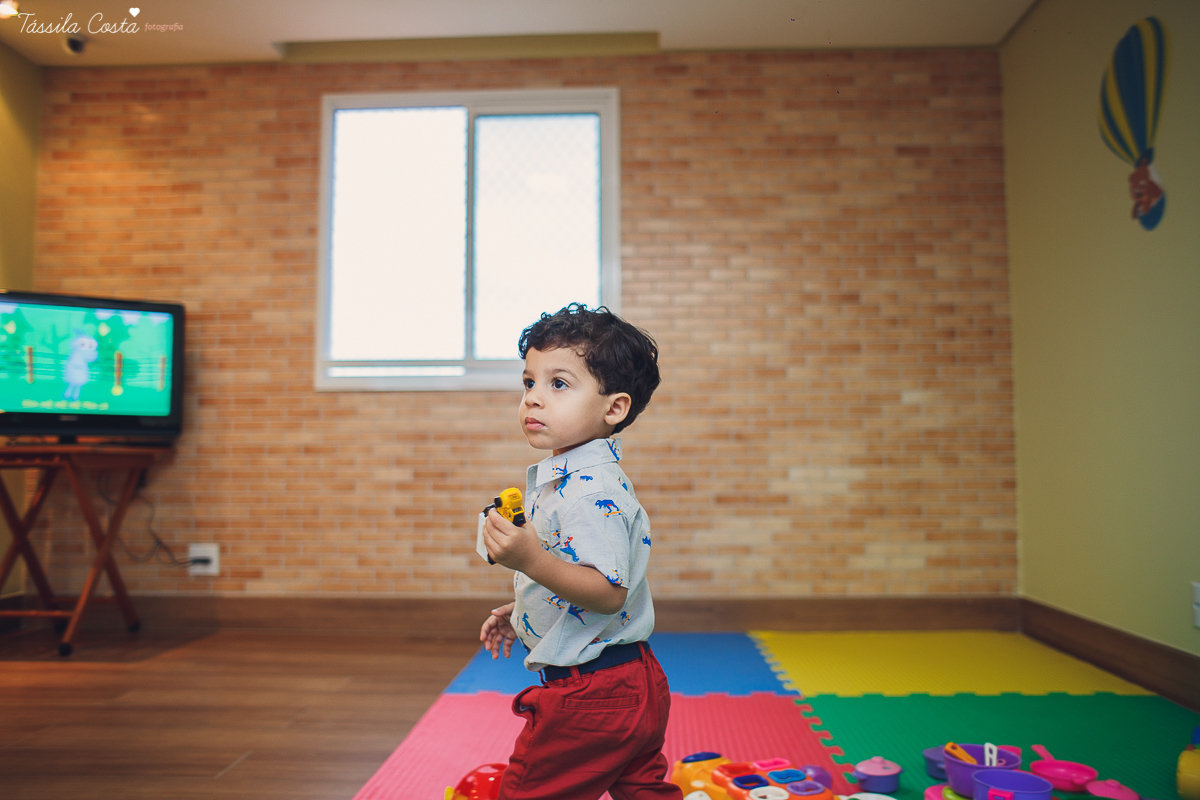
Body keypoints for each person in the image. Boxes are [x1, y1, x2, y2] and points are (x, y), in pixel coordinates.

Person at [479, 303, 681, 800]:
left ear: (614, 408)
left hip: (592, 696)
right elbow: (578, 573)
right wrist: (527, 606)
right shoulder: (571, 478)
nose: (534, 401)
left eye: (559, 385)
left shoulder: (589, 493)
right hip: (629, 682)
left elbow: (609, 593)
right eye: (529, 383)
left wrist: (529, 561)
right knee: (641, 791)